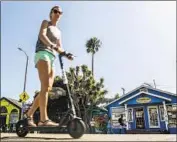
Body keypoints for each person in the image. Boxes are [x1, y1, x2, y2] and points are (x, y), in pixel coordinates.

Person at [26, 5, 73, 127]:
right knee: (45, 85)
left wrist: (66, 54)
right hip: (42, 53)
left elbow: (59, 46)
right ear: (51, 13)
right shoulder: (46, 23)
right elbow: (42, 36)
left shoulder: (59, 32)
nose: (58, 13)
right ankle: (43, 120)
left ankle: (29, 114)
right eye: (56, 11)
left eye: (60, 12)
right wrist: (52, 46)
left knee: (46, 89)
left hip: (52, 58)